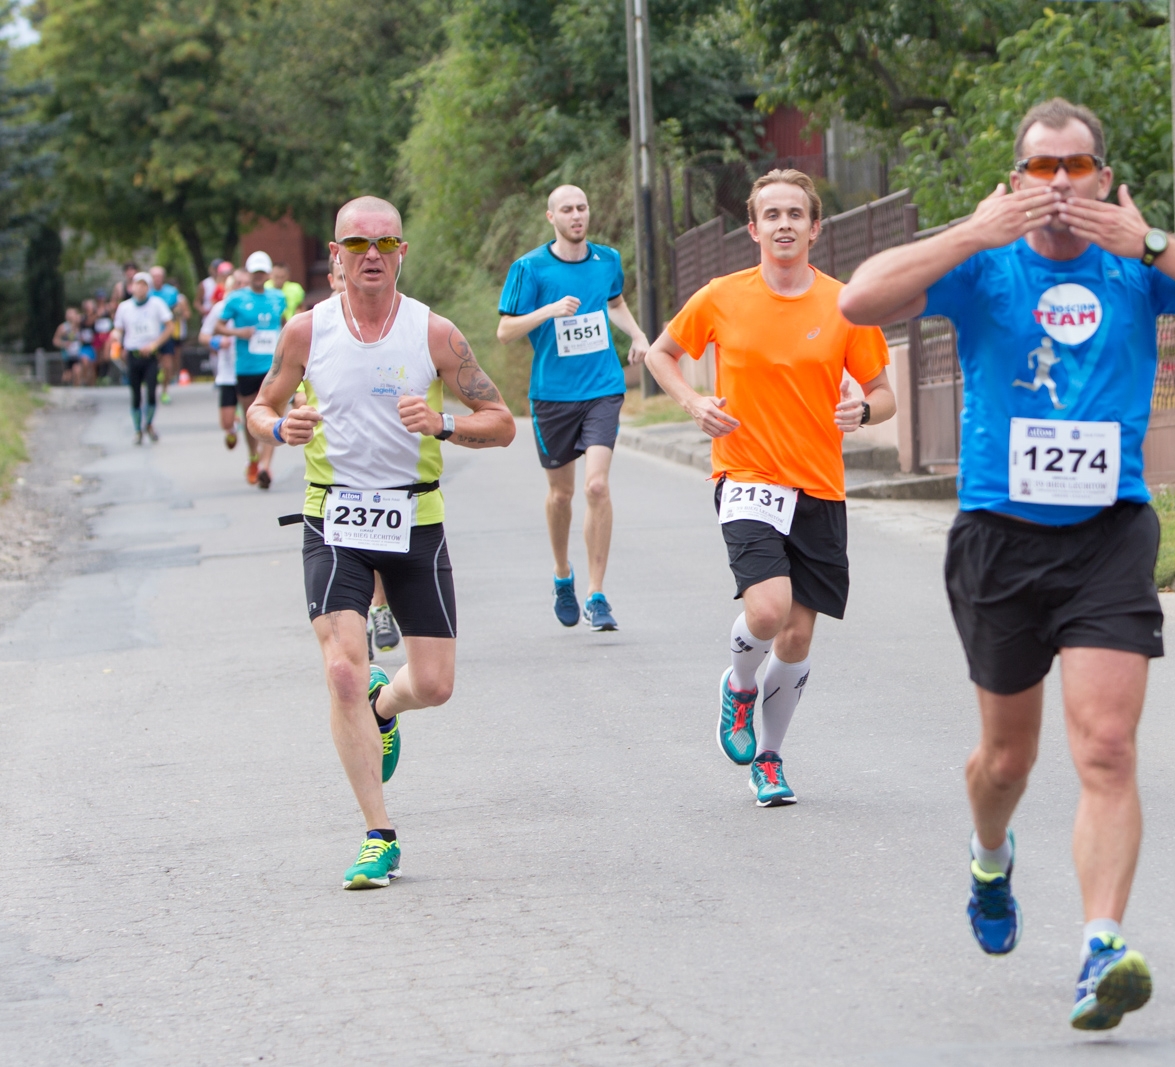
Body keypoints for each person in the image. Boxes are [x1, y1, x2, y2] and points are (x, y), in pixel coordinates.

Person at [838, 98, 1175, 1028]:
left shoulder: (1133, 265)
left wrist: (1151, 239)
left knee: (1107, 747)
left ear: (1103, 178)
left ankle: (1099, 948)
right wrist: (971, 230)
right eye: (1040, 169)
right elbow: (859, 300)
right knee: (1007, 757)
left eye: (1075, 166)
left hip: (1109, 535)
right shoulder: (984, 267)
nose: (1059, 185)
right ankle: (990, 858)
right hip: (999, 538)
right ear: (1016, 183)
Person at [246, 195, 515, 890]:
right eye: (357, 243)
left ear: (402, 253)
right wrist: (280, 431)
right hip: (332, 518)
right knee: (341, 666)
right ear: (334, 255)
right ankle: (378, 834)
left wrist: (445, 424)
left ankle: (384, 704)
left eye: (386, 243)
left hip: (413, 520)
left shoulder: (435, 334)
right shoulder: (307, 331)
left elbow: (502, 421)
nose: (372, 254)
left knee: (434, 683)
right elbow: (261, 405)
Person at [644, 169, 896, 807]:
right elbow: (660, 355)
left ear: (816, 228)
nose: (784, 225)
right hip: (747, 475)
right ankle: (738, 685)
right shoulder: (723, 295)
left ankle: (771, 758)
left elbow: (883, 394)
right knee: (765, 610)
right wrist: (692, 402)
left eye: (796, 215)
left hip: (819, 487)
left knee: (798, 635)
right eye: (772, 215)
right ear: (753, 229)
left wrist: (864, 412)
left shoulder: (845, 305)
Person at [496, 185, 650, 632]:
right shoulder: (530, 268)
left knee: (596, 487)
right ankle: (563, 574)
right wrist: (548, 312)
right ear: (551, 217)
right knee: (561, 495)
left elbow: (615, 302)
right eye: (567, 209)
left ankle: (597, 594)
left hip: (602, 387)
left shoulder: (607, 260)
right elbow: (505, 331)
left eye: (582, 207)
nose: (577, 215)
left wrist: (637, 336)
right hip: (552, 397)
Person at [218, 252, 287, 488]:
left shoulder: (278, 298)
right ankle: (254, 457)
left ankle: (266, 466)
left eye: (262, 273)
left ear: (267, 274)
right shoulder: (236, 299)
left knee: (273, 416)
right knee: (253, 418)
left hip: (273, 368)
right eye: (254, 273)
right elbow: (218, 325)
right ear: (249, 274)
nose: (258, 277)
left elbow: (285, 323)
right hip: (246, 368)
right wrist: (239, 333)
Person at [112, 272, 175, 445]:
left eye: (144, 285)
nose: (140, 288)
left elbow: (170, 326)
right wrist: (116, 337)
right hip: (133, 354)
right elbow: (118, 328)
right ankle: (137, 429)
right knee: (135, 393)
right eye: (137, 284)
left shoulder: (156, 304)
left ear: (148, 288)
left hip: (151, 354)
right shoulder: (124, 307)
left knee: (152, 391)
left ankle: (149, 423)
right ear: (132, 286)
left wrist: (156, 344)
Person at [200, 267, 251, 450]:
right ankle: (232, 427)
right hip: (228, 372)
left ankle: (254, 459)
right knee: (226, 422)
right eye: (238, 284)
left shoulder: (255, 306)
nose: (243, 287)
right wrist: (218, 342)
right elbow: (203, 336)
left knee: (252, 420)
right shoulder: (220, 308)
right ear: (230, 287)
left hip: (251, 369)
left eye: (246, 284)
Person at [149, 266, 192, 404]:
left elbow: (180, 311)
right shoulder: (147, 292)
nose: (157, 279)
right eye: (154, 277)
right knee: (152, 366)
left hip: (167, 333)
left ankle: (165, 390)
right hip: (150, 335)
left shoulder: (171, 292)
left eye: (159, 276)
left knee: (168, 364)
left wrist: (177, 313)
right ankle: (150, 390)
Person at [53, 306, 85, 385]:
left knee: (77, 371)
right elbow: (55, 341)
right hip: (67, 355)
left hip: (77, 353)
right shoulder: (62, 328)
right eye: (68, 313)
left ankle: (76, 390)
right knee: (67, 375)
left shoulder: (79, 326)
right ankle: (64, 390)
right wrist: (64, 344)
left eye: (72, 313)